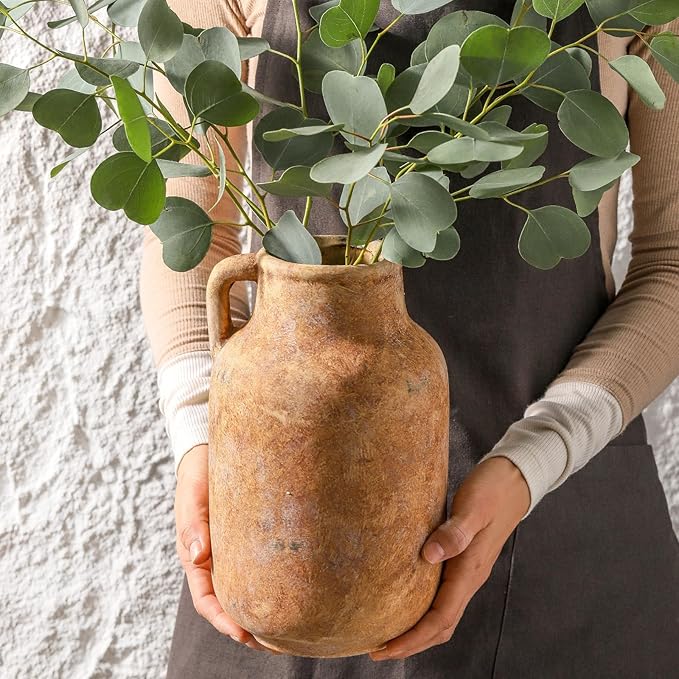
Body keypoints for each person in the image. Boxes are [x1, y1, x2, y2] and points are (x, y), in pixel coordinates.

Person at [139, 1, 679, 676]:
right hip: (283, 524)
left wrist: (540, 454)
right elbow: (195, 236)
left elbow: (670, 260)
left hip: (562, 529)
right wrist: (200, 433)